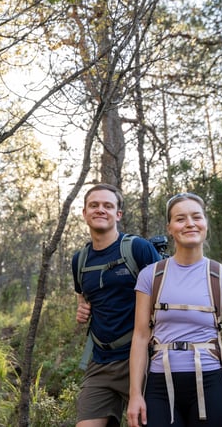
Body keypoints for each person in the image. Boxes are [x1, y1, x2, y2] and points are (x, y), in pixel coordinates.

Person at [127, 192, 222, 427]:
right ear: (169, 228)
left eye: (196, 217)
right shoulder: (150, 276)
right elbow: (140, 336)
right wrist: (135, 394)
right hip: (159, 387)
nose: (189, 224)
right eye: (180, 219)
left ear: (205, 223)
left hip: (210, 384)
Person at [73, 183, 162, 427]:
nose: (100, 210)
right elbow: (82, 295)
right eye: (94, 205)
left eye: (107, 206)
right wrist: (81, 308)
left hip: (141, 360)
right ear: (85, 213)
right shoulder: (79, 260)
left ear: (118, 214)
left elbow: (165, 295)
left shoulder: (138, 249)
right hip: (100, 362)